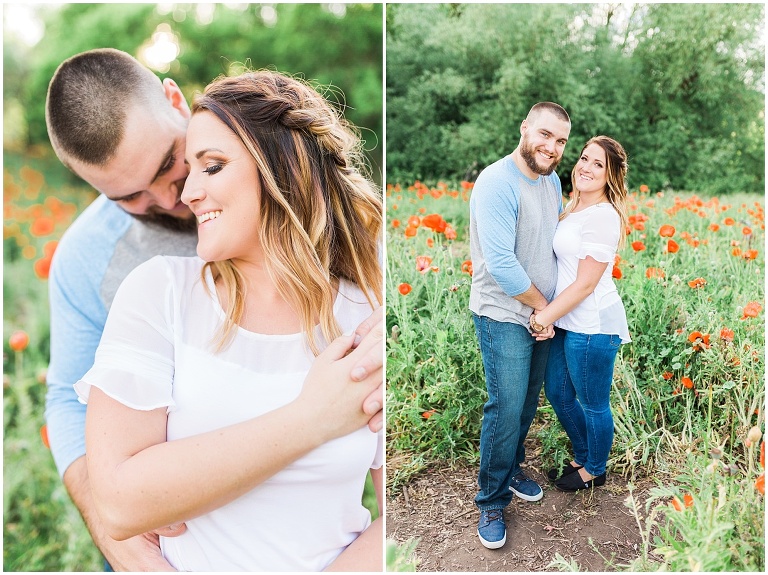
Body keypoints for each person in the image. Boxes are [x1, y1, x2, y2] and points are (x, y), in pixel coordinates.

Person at [44, 48, 384, 571]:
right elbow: (69, 401)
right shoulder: (109, 267)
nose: (174, 196)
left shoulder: (358, 278)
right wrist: (116, 535)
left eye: (170, 164)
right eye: (130, 196)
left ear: (173, 101)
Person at [468, 102, 571, 549]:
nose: (552, 147)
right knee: (506, 407)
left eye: (561, 141)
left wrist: (549, 312)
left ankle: (511, 469)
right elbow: (502, 266)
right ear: (525, 128)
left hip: (540, 314)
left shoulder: (551, 181)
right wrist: (543, 309)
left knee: (528, 402)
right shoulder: (496, 182)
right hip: (504, 312)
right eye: (545, 134)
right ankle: (491, 500)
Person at [529, 136, 631, 492]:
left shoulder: (603, 217)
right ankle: (585, 454)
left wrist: (542, 317)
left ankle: (595, 470)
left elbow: (586, 284)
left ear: (611, 175)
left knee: (592, 403)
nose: (586, 168)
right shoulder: (572, 207)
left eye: (598, 164)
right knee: (558, 392)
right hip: (567, 319)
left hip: (593, 324)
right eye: (585, 158)